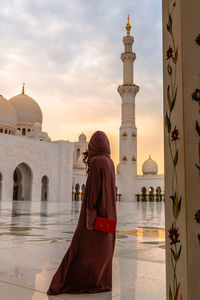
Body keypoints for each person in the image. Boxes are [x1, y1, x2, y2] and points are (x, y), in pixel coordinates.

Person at [47, 131, 117, 295]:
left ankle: (75, 280)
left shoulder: (98, 162)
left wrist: (89, 218)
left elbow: (93, 193)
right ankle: (100, 281)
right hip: (109, 216)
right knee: (103, 250)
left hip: (94, 217)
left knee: (81, 248)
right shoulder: (110, 162)